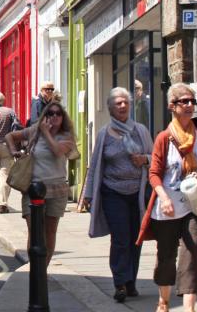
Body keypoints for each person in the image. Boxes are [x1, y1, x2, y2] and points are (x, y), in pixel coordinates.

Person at [136, 83, 197, 312]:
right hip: (167, 206)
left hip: (194, 205)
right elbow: (154, 173)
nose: (190, 105)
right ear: (173, 106)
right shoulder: (163, 138)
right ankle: (164, 301)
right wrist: (164, 198)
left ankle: (190, 308)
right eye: (184, 101)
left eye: (192, 101)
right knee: (166, 256)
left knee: (192, 254)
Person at [80, 88, 153, 303]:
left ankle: (131, 282)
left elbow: (155, 158)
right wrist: (88, 194)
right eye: (118, 103)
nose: (122, 106)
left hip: (137, 193)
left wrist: (145, 159)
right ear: (111, 108)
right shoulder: (104, 133)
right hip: (113, 192)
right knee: (121, 238)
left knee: (136, 239)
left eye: (126, 103)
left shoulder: (140, 130)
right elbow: (95, 166)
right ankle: (120, 282)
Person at [6, 100, 77, 266]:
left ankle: (41, 273)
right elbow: (10, 136)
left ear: (63, 117)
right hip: (33, 188)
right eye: (50, 113)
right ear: (45, 116)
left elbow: (57, 151)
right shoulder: (34, 131)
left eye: (58, 114)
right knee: (35, 231)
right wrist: (13, 151)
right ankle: (35, 269)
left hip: (57, 189)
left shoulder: (66, 137)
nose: (54, 116)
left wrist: (45, 132)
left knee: (50, 232)